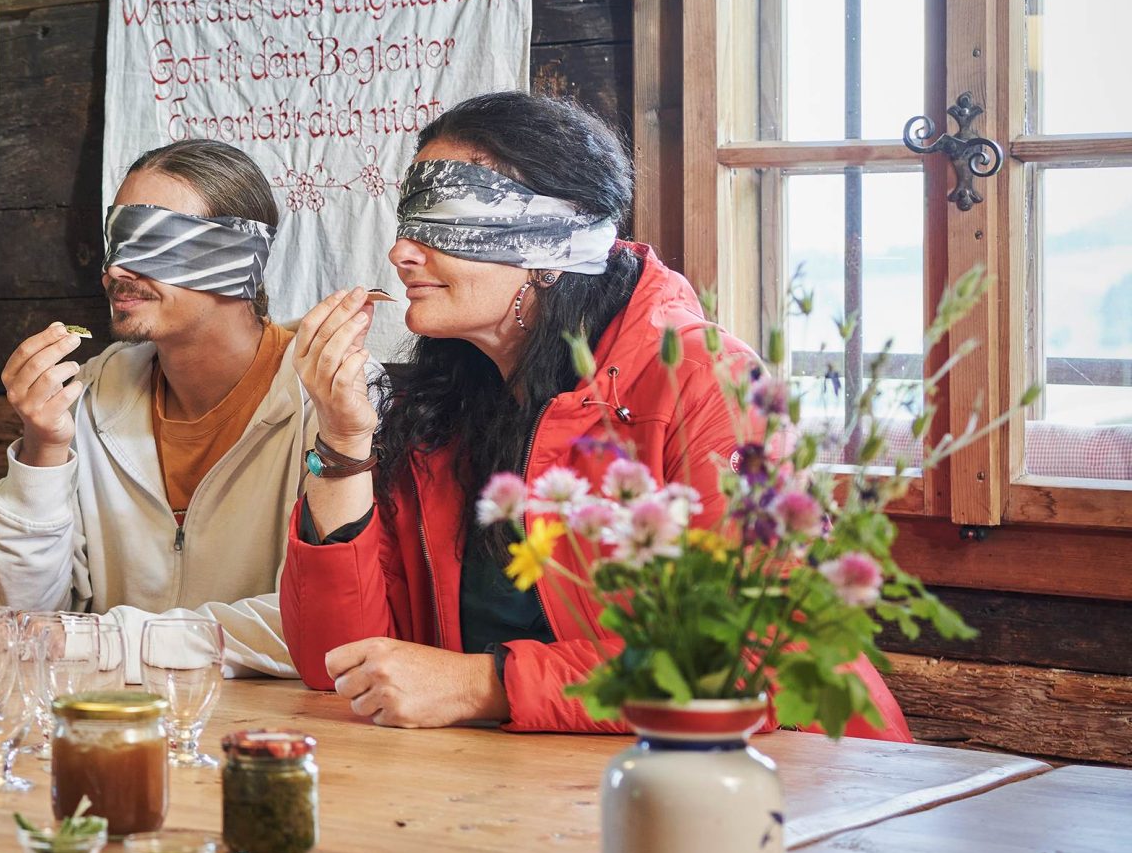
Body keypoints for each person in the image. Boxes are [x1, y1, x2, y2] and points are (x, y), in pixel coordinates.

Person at [279, 90, 913, 738]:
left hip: (785, 794)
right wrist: (343, 440)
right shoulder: (437, 410)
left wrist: (485, 684)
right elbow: (337, 666)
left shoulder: (705, 380)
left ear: (550, 247)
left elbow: (758, 653)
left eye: (444, 219)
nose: (403, 252)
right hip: (532, 799)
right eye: (408, 219)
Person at [0, 139, 306, 675]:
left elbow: (316, 625)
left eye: (154, 239)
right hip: (105, 724)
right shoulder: (90, 393)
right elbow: (15, 620)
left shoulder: (327, 402)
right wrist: (43, 451)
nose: (116, 270)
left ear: (238, 256)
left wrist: (110, 639)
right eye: (116, 239)